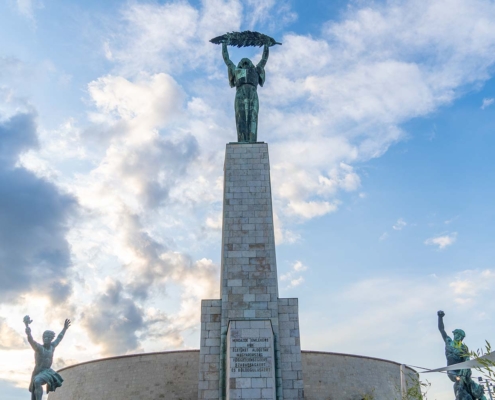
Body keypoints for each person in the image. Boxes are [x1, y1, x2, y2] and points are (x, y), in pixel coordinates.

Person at [222, 41, 269, 143]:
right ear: (240, 65)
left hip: (252, 93)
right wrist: (224, 45)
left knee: (253, 116)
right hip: (240, 93)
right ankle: (242, 140)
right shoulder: (236, 71)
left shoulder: (256, 70)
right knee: (240, 116)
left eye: (247, 62)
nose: (245, 64)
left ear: (251, 64)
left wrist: (266, 44)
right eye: (243, 63)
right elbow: (227, 60)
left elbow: (264, 59)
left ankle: (252, 140)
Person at [437, 310, 486, 400]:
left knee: (476, 391)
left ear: (461, 337)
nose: (457, 336)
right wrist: (440, 317)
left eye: (458, 335)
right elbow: (441, 329)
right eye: (456, 334)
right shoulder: (448, 341)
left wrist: (465, 372)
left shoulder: (463, 348)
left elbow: (467, 360)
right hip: (452, 370)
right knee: (459, 383)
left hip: (463, 371)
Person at [24, 315, 71, 400]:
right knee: (35, 389)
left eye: (48, 337)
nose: (46, 339)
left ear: (51, 339)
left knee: (37, 381)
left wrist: (64, 329)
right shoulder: (39, 348)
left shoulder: (52, 347)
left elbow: (59, 338)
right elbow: (31, 341)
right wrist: (28, 333)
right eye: (44, 337)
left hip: (47, 371)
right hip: (38, 372)